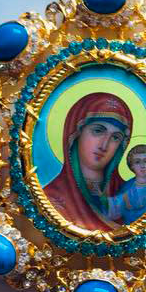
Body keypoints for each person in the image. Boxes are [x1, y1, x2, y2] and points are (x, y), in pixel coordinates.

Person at [42, 92, 133, 231]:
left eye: (115, 137)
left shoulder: (131, 194)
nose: (104, 145)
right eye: (98, 131)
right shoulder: (50, 199)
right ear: (75, 133)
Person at [113, 143, 146, 224]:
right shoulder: (125, 188)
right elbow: (116, 210)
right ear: (131, 165)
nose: (142, 166)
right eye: (137, 162)